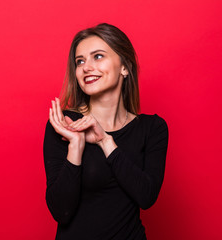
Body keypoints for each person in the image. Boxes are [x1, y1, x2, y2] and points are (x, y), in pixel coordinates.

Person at [43, 23, 169, 240]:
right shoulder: (64, 124)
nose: (86, 67)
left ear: (124, 67)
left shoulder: (152, 129)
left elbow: (146, 197)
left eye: (98, 56)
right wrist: (76, 146)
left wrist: (105, 142)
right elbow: (61, 211)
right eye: (80, 61)